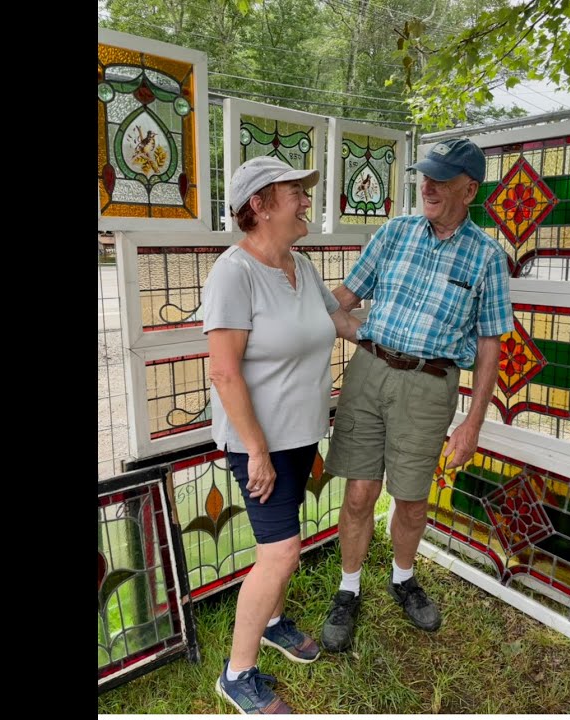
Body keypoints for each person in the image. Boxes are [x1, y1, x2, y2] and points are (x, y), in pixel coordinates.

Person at [319, 138, 513, 651]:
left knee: (410, 498)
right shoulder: (395, 233)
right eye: (425, 176)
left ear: (469, 190)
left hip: (430, 387)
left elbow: (491, 345)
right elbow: (345, 297)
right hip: (368, 373)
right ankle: (348, 588)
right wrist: (288, 307)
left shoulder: (488, 257)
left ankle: (403, 578)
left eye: (441, 179)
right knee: (359, 492)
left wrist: (473, 423)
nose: (427, 185)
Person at [204, 156, 361, 714]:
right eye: (295, 191)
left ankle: (271, 621)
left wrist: (407, 321)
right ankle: (237, 673)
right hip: (258, 445)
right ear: (260, 206)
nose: (304, 200)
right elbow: (224, 371)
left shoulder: (300, 264)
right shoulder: (233, 273)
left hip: (297, 435)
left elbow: (340, 323)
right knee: (282, 552)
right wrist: (257, 451)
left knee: (282, 548)